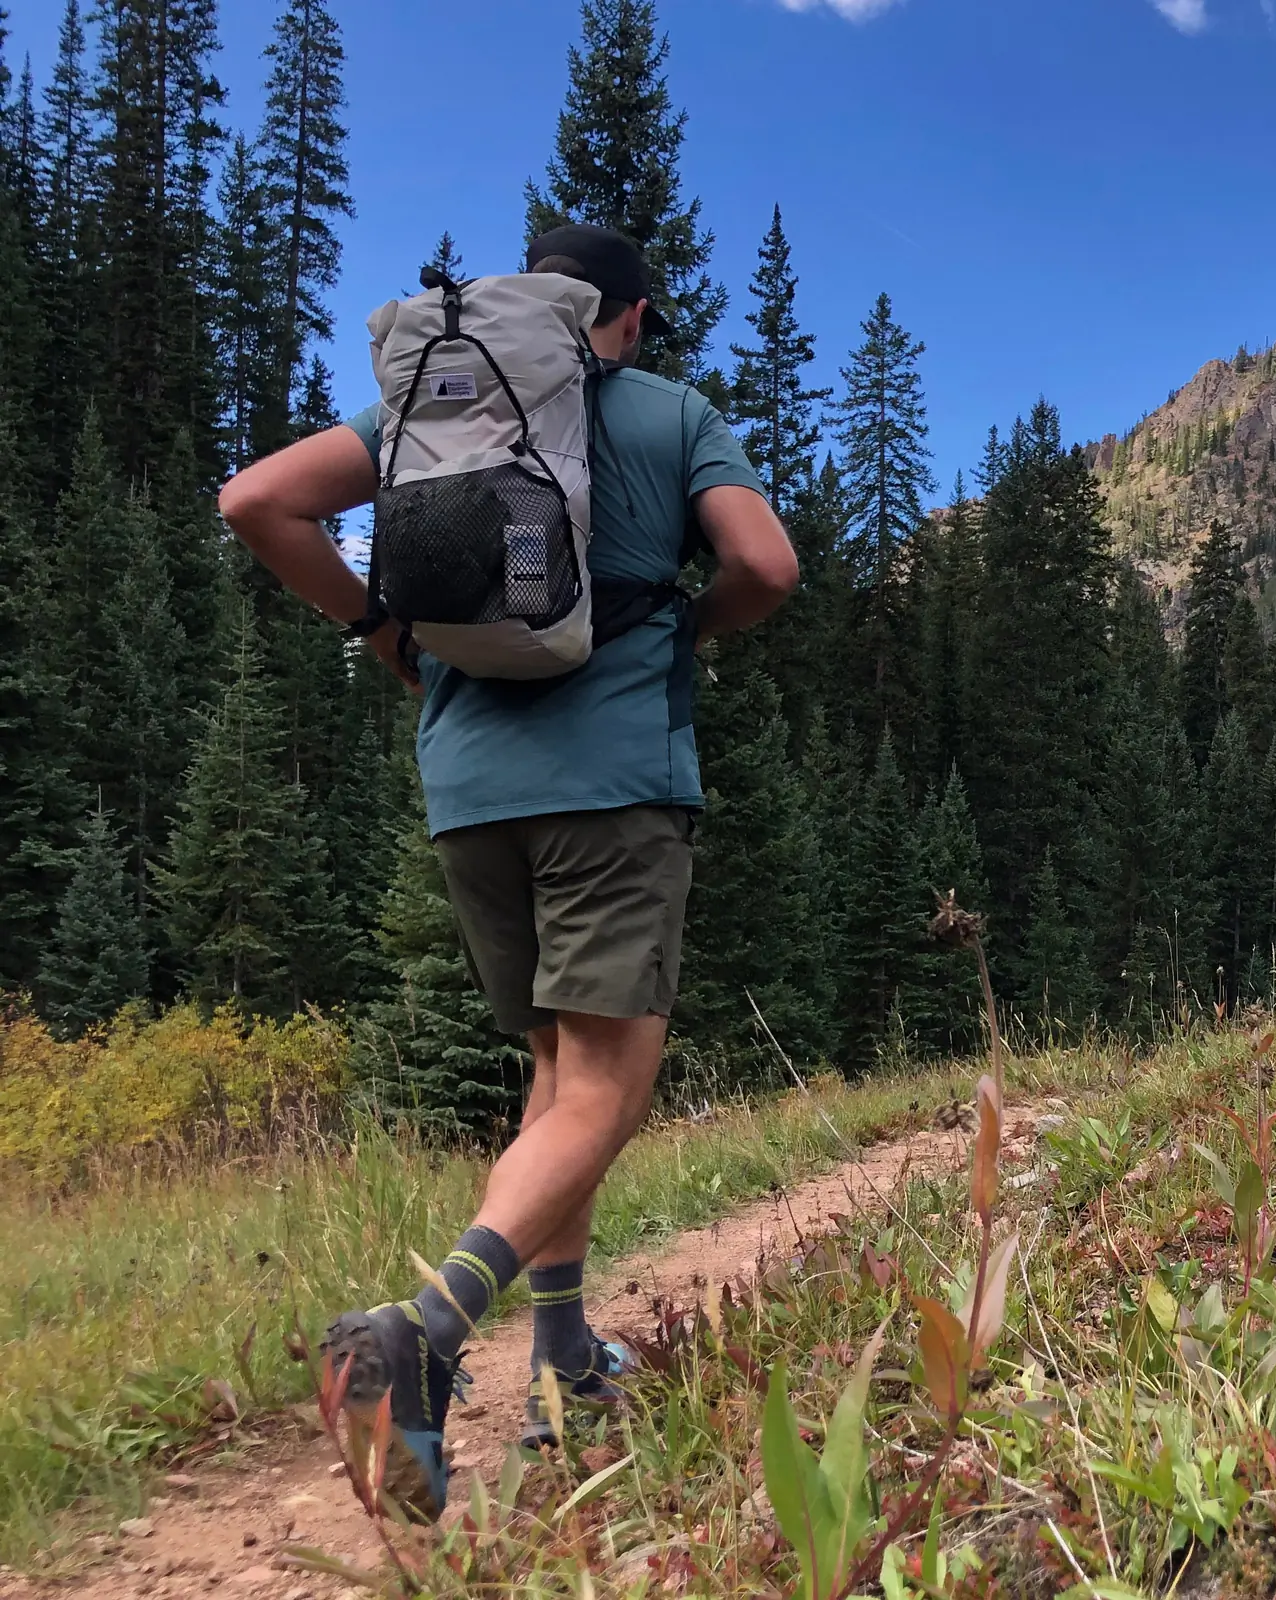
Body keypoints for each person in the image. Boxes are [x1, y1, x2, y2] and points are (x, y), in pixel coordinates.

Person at [218, 224, 798, 1520]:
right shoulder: (667, 413)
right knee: (605, 1093)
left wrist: (375, 626)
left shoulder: (435, 402)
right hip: (613, 783)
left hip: (468, 792)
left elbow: (254, 500)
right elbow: (767, 564)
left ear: (532, 298)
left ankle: (561, 1369)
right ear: (634, 318)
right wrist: (691, 627)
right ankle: (418, 1337)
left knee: (551, 1077)